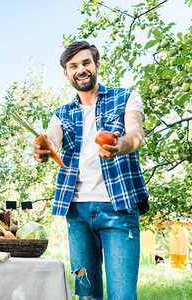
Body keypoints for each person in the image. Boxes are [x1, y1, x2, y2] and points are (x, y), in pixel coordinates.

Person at [32, 40, 149, 300]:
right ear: (66, 73)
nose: (80, 69)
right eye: (73, 66)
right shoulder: (61, 114)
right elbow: (52, 138)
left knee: (122, 295)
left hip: (118, 208)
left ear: (97, 65)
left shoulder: (126, 96)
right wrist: (44, 148)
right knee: (86, 296)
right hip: (78, 212)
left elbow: (135, 133)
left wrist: (120, 145)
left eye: (86, 63)